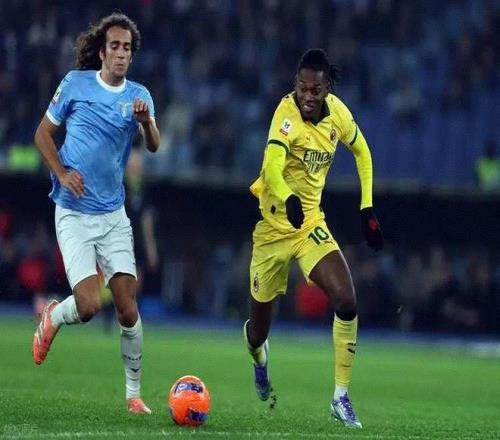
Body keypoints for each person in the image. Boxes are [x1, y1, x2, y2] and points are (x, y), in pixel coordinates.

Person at [243, 49, 383, 429]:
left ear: (327, 89)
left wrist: (367, 207)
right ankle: (259, 357)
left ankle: (340, 396)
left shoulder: (338, 114)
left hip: (308, 226)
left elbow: (362, 152)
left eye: (315, 90)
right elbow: (272, 166)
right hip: (273, 229)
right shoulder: (285, 115)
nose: (307, 96)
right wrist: (287, 196)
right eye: (302, 88)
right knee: (258, 332)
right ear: (296, 85)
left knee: (346, 299)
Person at [32, 13, 160, 415]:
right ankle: (54, 316)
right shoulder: (76, 84)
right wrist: (61, 172)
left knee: (127, 307)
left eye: (127, 48)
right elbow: (42, 134)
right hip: (73, 213)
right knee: (88, 307)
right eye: (115, 46)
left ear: (131, 56)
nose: (121, 53)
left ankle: (133, 394)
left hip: (113, 216)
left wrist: (146, 122)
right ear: (103, 52)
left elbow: (154, 145)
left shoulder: (139, 96)